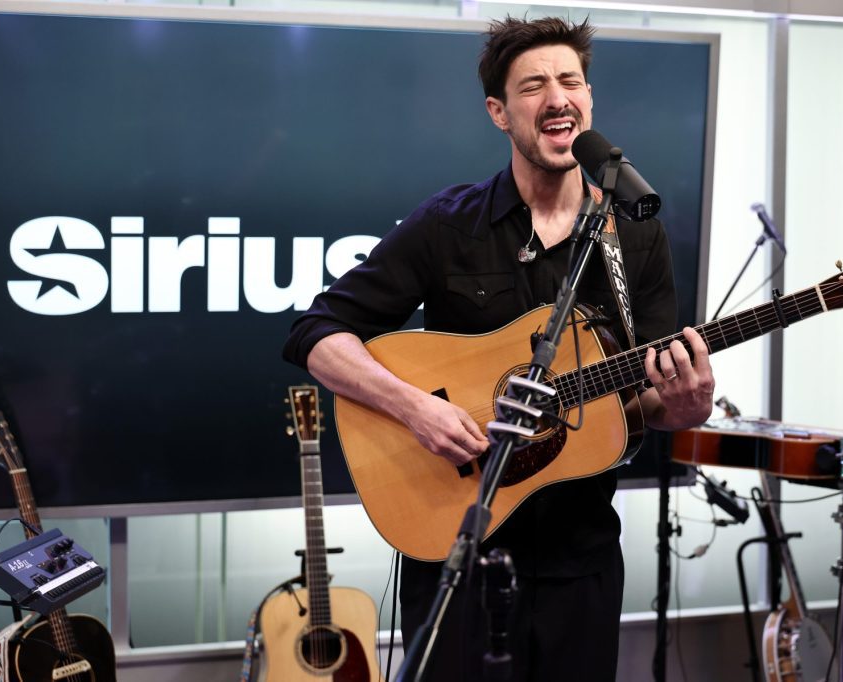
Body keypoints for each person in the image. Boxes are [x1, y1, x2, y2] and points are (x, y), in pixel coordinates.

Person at [282, 16, 715, 681]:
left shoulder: (635, 234)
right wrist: (414, 408)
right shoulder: (448, 225)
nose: (557, 98)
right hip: (458, 555)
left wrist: (685, 406)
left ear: (589, 98)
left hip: (580, 562)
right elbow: (315, 334)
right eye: (534, 86)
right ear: (499, 112)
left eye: (570, 81)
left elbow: (649, 394)